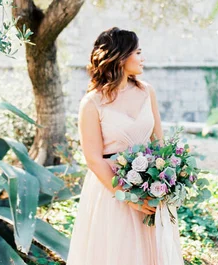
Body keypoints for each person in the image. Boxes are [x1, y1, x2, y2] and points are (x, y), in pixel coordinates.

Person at [66, 27, 181, 265]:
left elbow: (158, 143)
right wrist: (129, 197)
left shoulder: (147, 91)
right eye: (138, 52)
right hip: (112, 192)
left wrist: (163, 184)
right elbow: (93, 159)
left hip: (150, 187)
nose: (143, 58)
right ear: (120, 56)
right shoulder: (92, 102)